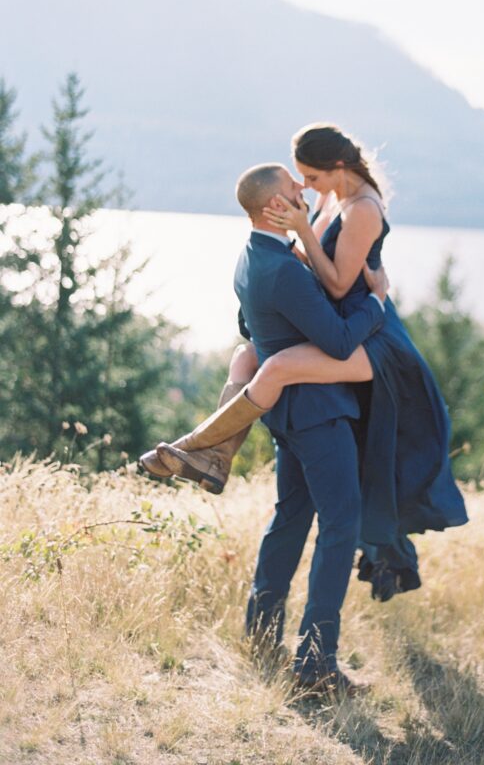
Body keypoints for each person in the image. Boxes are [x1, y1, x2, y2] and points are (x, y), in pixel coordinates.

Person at [143, 124, 467, 597]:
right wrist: (292, 246)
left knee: (276, 367)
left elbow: (336, 283)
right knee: (248, 354)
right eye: (301, 179)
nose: (306, 189)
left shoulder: (362, 210)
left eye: (311, 178)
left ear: (337, 168)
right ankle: (212, 454)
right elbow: (305, 266)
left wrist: (301, 238)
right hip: (343, 322)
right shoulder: (327, 197)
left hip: (371, 334)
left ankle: (199, 447)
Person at [150, 162, 390, 694]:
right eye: (292, 188)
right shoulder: (281, 267)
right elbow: (338, 341)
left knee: (289, 520)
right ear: (272, 208)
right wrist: (377, 301)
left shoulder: (256, 256)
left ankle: (260, 635)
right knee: (340, 526)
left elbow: (251, 325)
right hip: (318, 414)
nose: (302, 192)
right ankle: (315, 665)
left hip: (286, 415)